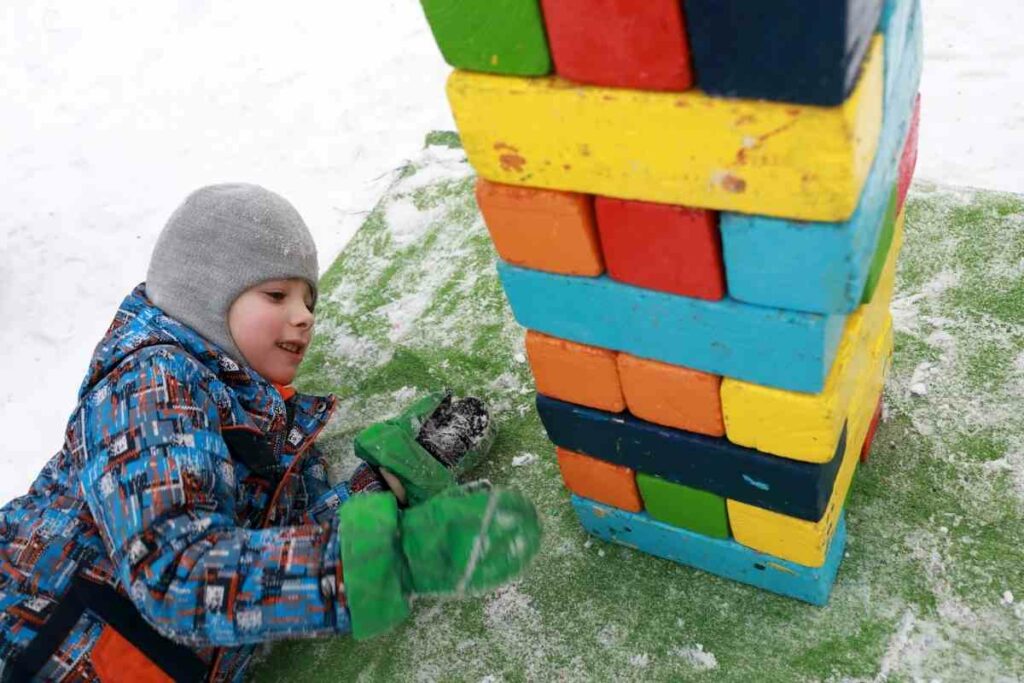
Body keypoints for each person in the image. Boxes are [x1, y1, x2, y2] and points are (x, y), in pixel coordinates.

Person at [0, 184, 540, 682]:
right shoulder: (148, 383)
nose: (304, 316)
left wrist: (391, 479)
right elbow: (178, 573)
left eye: (309, 301)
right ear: (204, 293)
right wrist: (389, 558)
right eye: (277, 295)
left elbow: (269, 561)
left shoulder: (271, 436)